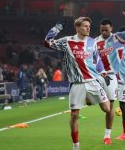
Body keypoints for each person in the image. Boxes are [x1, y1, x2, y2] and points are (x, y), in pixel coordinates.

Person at [44, 16, 111, 150]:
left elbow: (97, 60)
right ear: (77, 28)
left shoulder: (92, 42)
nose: (88, 28)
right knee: (74, 115)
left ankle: (89, 99)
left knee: (107, 108)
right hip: (77, 83)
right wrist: (56, 29)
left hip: (93, 81)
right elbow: (47, 42)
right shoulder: (67, 41)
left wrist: (104, 73)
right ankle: (76, 146)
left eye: (89, 26)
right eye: (85, 26)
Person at [94, 7, 125, 144]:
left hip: (116, 76)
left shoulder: (118, 37)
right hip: (101, 77)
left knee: (116, 106)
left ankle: (109, 136)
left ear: (111, 28)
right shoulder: (95, 42)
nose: (104, 32)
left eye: (106, 30)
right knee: (103, 106)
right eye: (102, 30)